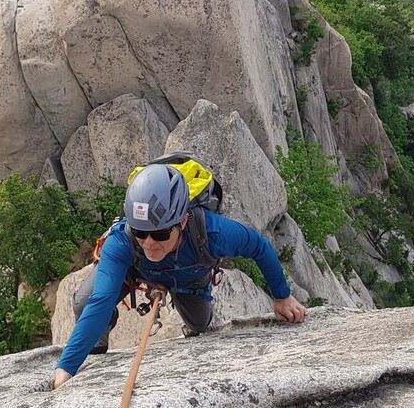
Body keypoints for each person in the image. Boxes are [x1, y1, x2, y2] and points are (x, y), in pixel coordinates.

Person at [53, 163, 307, 389]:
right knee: (85, 301)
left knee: (199, 323)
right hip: (136, 272)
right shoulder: (122, 240)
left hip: (188, 281)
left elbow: (259, 247)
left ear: (183, 222)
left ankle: (187, 309)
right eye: (141, 232)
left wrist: (282, 296)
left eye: (161, 233)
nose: (149, 243)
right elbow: (101, 300)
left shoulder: (212, 232)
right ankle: (96, 341)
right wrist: (66, 369)